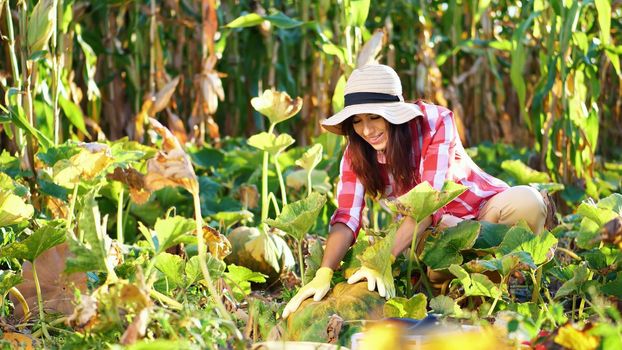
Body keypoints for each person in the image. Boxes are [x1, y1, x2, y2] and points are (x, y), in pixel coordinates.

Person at [281, 64, 547, 318]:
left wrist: (383, 259)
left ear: (395, 113)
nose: (367, 130)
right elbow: (347, 217)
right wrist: (325, 272)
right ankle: (458, 298)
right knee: (437, 250)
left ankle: (493, 291)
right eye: (358, 121)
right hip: (435, 233)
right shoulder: (356, 153)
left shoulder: (435, 123)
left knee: (528, 202)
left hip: (484, 212)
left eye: (375, 117)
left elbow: (428, 202)